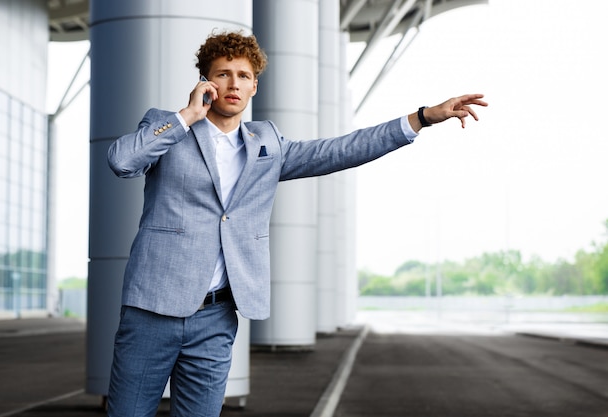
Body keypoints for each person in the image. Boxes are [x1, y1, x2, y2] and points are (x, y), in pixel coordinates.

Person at [105, 30, 487, 416]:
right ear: (205, 82)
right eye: (222, 74)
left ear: (255, 85)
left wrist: (422, 118)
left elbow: (341, 150)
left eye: (243, 75)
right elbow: (122, 161)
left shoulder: (266, 142)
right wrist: (187, 116)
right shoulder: (168, 127)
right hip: (152, 310)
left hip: (216, 318)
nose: (233, 83)